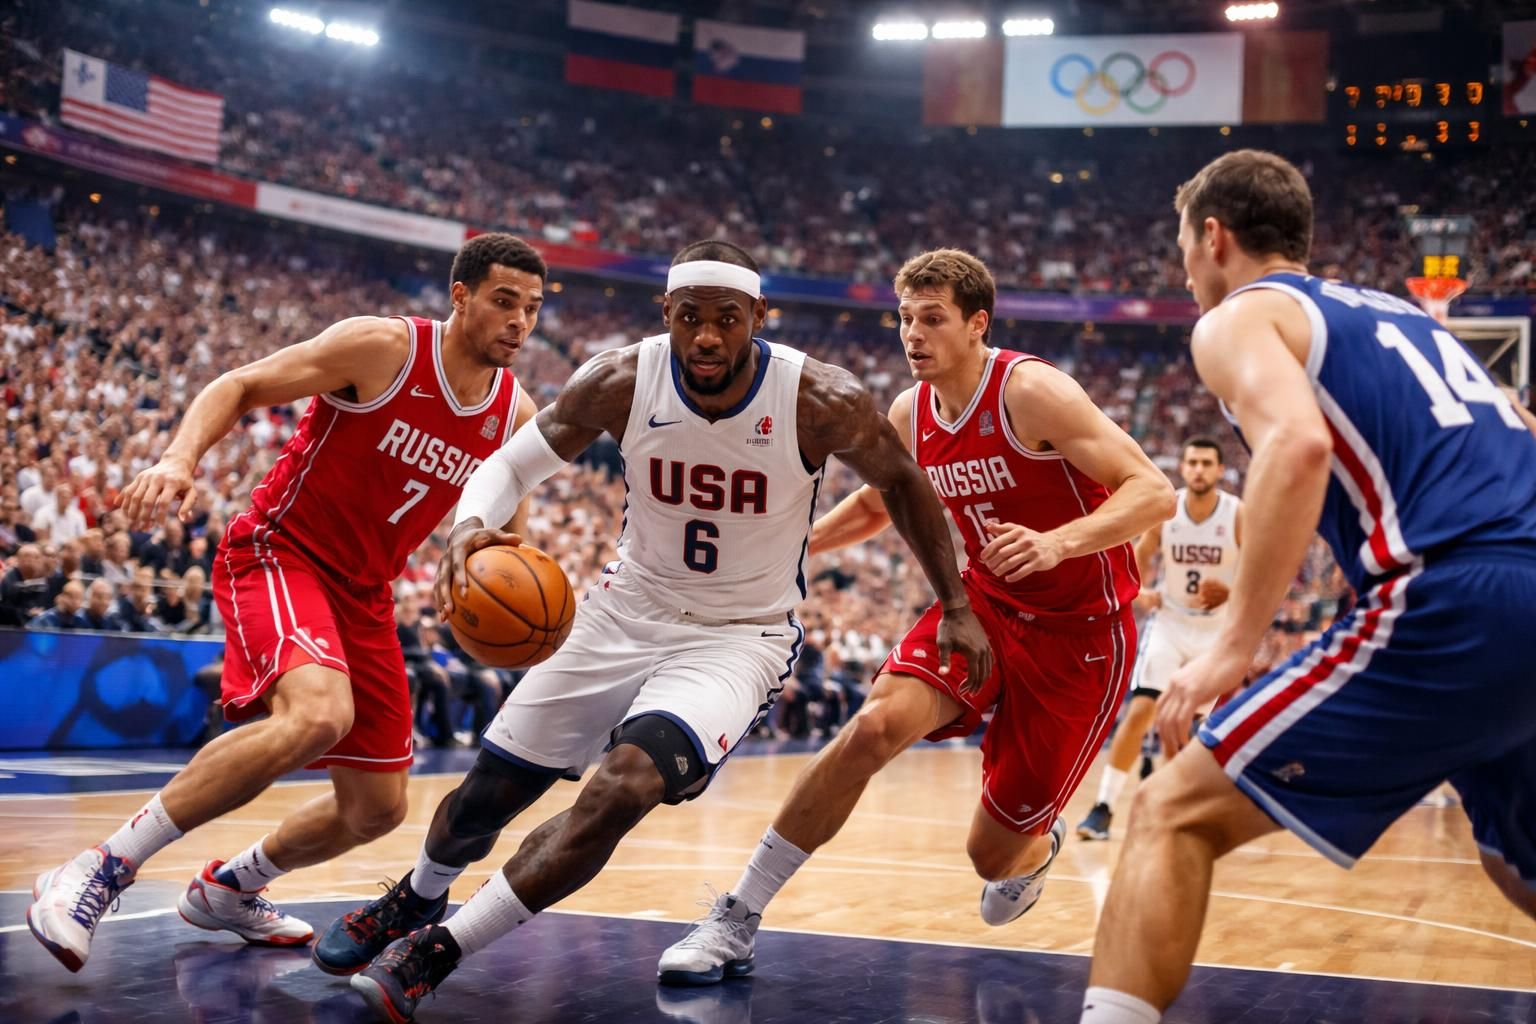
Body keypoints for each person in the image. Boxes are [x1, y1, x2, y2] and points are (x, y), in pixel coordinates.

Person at [315, 240, 991, 1022]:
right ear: (665, 314)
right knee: (482, 800)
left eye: (727, 321)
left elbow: (905, 485)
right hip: (622, 612)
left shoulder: (816, 396)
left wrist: (958, 604)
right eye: (691, 319)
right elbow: (510, 465)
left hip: (738, 637)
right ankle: (416, 899)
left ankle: (443, 950)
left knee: (622, 787)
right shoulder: (622, 378)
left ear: (757, 320)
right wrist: (469, 527)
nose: (707, 338)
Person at [1079, 150, 1536, 1024]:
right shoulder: (1410, 319)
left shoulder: (1240, 318)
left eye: (1181, 244)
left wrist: (1235, 646)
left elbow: (1298, 446)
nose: (1181, 269)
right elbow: (1524, 430)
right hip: (1524, 579)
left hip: (1453, 595)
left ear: (1213, 236)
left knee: (1170, 810)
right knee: (1519, 865)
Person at [26, 233, 546, 973]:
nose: (519, 322)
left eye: (531, 308)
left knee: (377, 809)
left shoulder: (514, 416)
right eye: (503, 301)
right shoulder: (381, 348)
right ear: (461, 296)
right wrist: (179, 459)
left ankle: (230, 889)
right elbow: (237, 383)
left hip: (365, 595)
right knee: (319, 715)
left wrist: (484, 589)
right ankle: (98, 868)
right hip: (280, 551)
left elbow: (500, 542)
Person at [657, 248, 1173, 986]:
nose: (913, 334)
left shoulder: (1033, 392)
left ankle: (1035, 842)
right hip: (986, 609)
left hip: (1083, 638)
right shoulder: (910, 411)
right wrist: (784, 538)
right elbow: (876, 504)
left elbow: (1151, 490)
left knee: (990, 860)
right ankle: (737, 915)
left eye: (932, 319)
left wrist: (1059, 542)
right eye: (905, 318)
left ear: (976, 325)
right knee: (871, 726)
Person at [1077, 439, 1242, 841]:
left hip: (1215, 630)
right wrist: (1137, 591)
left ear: (1220, 471)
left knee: (1190, 727)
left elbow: (1264, 568)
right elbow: (1140, 555)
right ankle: (1103, 808)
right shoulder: (1168, 510)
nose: (1199, 469)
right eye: (1192, 463)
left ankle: (1183, 808)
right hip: (1170, 622)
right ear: (1182, 468)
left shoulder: (1238, 515)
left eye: (1207, 463)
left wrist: (1234, 592)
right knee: (1140, 712)